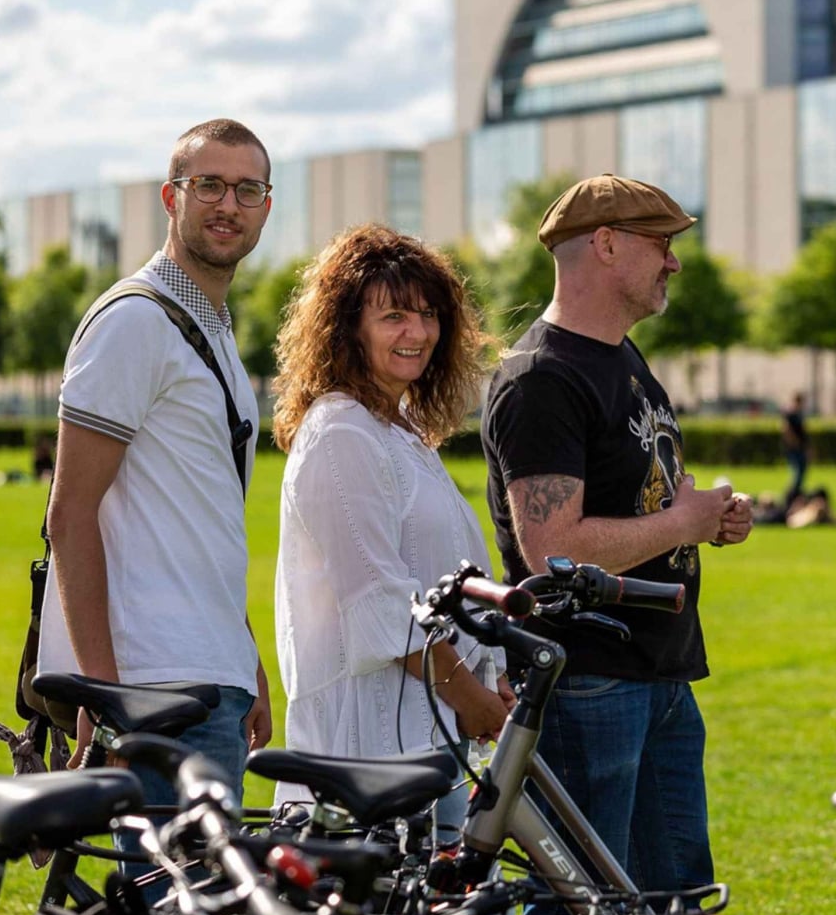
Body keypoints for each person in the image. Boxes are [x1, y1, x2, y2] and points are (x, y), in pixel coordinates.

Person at [480, 173, 753, 895]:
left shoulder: (623, 360)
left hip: (656, 672)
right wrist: (681, 521)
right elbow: (552, 550)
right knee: (576, 912)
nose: (675, 261)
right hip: (590, 679)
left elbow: (645, 499)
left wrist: (707, 521)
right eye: (662, 243)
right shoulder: (542, 377)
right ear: (605, 243)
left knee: (674, 905)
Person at [37, 118, 274, 806]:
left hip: (210, 674)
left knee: (193, 906)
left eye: (247, 189)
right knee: (169, 906)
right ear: (171, 198)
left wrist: (245, 655)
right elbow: (70, 511)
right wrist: (105, 691)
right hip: (154, 687)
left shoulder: (213, 326)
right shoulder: (136, 320)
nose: (228, 204)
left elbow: (204, 515)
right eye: (209, 185)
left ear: (266, 205)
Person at [269, 224, 515, 827]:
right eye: (394, 316)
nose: (418, 333)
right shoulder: (340, 432)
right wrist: (472, 697)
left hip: (426, 740)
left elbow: (443, 588)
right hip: (366, 753)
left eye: (429, 315)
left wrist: (492, 677)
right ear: (348, 327)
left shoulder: (397, 429)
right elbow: (382, 603)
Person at [781, 391, 809, 510]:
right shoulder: (791, 414)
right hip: (794, 449)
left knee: (800, 475)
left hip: (800, 448)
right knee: (797, 475)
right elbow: (787, 430)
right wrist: (795, 444)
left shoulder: (798, 414)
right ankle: (789, 498)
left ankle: (796, 497)